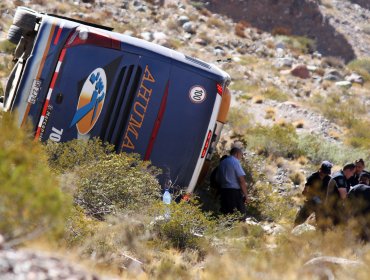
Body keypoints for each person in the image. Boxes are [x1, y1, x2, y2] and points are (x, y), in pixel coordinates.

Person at [294, 161, 333, 227]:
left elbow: (330, 193)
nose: (324, 175)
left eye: (325, 173)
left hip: (322, 205)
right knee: (299, 220)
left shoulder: (329, 179)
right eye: (323, 173)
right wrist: (310, 197)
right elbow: (305, 191)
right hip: (310, 202)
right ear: (321, 170)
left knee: (322, 224)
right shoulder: (313, 177)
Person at [216, 147, 248, 219]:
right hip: (234, 193)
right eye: (241, 155)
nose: (241, 157)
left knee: (226, 215)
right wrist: (246, 195)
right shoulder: (235, 162)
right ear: (237, 154)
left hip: (224, 192)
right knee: (240, 215)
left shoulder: (222, 162)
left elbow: (217, 179)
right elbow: (241, 180)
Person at [324, 163, 356, 227]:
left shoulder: (342, 177)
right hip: (333, 209)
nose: (352, 175)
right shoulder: (340, 177)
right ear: (348, 170)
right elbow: (343, 196)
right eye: (352, 172)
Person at [347, 172, 370, 241]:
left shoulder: (352, 189)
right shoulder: (369, 189)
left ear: (359, 179)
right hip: (366, 219)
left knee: (356, 238)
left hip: (354, 217)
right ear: (367, 180)